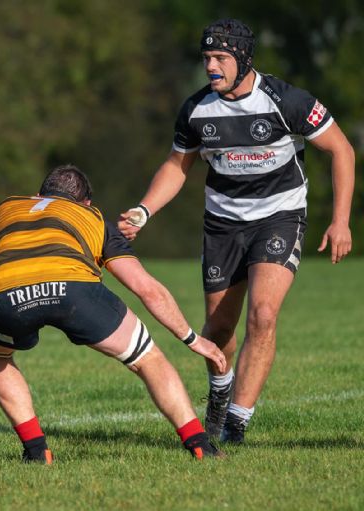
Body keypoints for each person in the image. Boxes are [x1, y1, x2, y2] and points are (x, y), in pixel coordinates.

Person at [0, 165, 227, 463]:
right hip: (76, 293)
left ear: (39, 194)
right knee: (148, 358)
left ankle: (36, 449)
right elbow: (147, 288)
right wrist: (193, 340)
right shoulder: (93, 218)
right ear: (85, 202)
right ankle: (198, 443)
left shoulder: (2, 211)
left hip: (7, 298)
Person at [118, 19, 355, 443]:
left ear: (243, 58)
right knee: (219, 329)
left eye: (220, 58)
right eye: (206, 58)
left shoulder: (287, 101)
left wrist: (340, 220)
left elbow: (341, 149)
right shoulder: (196, 109)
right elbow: (177, 166)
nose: (211, 66)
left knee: (263, 315)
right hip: (223, 225)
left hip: (280, 216)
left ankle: (236, 424)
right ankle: (219, 391)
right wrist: (144, 210)